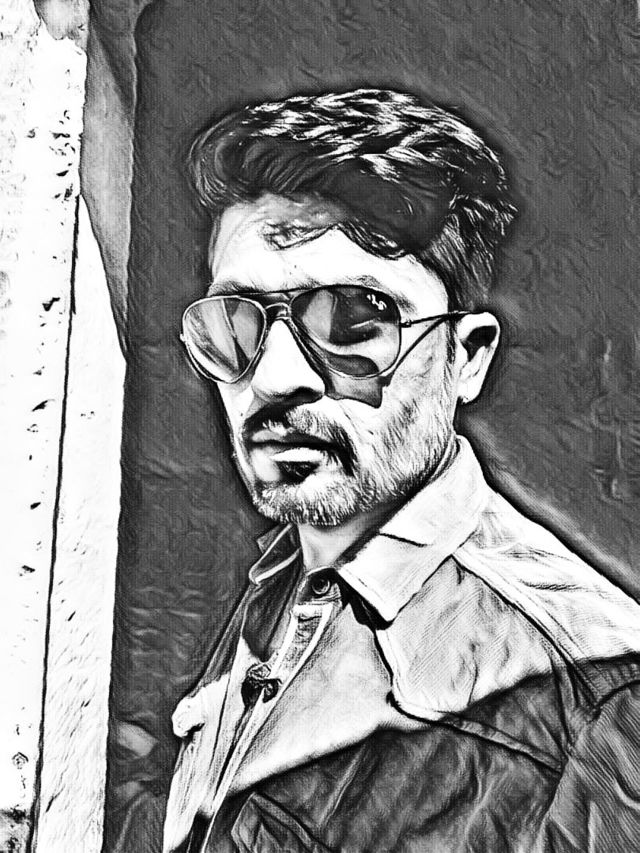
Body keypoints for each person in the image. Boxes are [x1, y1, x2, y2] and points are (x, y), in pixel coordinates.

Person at [163, 89, 640, 853]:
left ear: (466, 358)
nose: (274, 377)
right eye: (234, 322)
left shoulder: (596, 689)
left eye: (356, 319)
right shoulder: (278, 583)